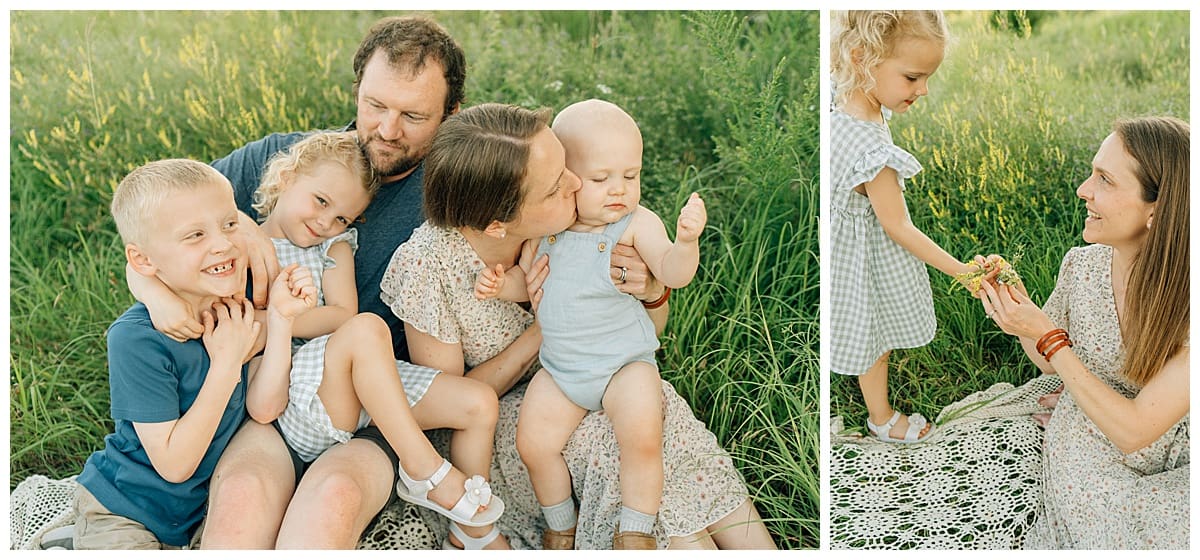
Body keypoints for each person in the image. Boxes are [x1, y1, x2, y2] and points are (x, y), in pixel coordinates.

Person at [382, 102, 777, 549]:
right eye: (556, 186)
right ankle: (594, 531)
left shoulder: (571, 206)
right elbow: (456, 407)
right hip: (503, 423)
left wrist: (651, 292)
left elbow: (650, 327)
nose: (573, 181)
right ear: (498, 225)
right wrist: (544, 327)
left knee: (661, 420)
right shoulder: (430, 266)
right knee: (617, 452)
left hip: (597, 370)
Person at [472, 99, 706, 548]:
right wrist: (501, 287)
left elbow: (673, 272)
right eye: (600, 179)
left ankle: (635, 528)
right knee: (534, 443)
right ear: (566, 178)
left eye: (630, 176)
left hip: (623, 365)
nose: (618, 189)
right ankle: (560, 522)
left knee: (640, 435)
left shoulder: (636, 224)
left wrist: (687, 242)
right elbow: (530, 280)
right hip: (562, 370)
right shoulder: (550, 227)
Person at [250, 131, 503, 529]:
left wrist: (271, 320)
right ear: (286, 177)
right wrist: (277, 322)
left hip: (359, 374)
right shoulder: (247, 246)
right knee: (366, 328)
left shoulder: (333, 246)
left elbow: (341, 314)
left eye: (341, 218)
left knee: (479, 403)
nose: (324, 222)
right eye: (320, 201)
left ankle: (474, 533)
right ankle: (424, 470)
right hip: (301, 397)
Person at [978, 116, 1189, 549]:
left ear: (1157, 209)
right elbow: (1046, 358)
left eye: (1105, 180)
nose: (1083, 190)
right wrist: (1022, 318)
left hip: (1170, 448)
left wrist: (1049, 338)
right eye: (1092, 173)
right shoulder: (1082, 266)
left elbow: (1134, 431)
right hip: (1093, 434)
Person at [73, 159, 307, 548]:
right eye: (195, 235)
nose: (223, 243)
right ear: (144, 261)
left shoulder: (236, 307)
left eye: (230, 224)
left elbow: (267, 405)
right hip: (126, 508)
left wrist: (281, 319)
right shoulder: (136, 339)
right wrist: (227, 363)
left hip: (198, 511)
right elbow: (175, 464)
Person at [828, 10, 982, 443]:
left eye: (927, 78)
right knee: (874, 337)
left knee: (850, 330)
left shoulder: (836, 101)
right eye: (912, 77)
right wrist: (962, 272)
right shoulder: (873, 148)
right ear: (861, 58)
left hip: (834, 247)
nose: (924, 90)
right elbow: (898, 227)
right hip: (859, 259)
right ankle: (881, 418)